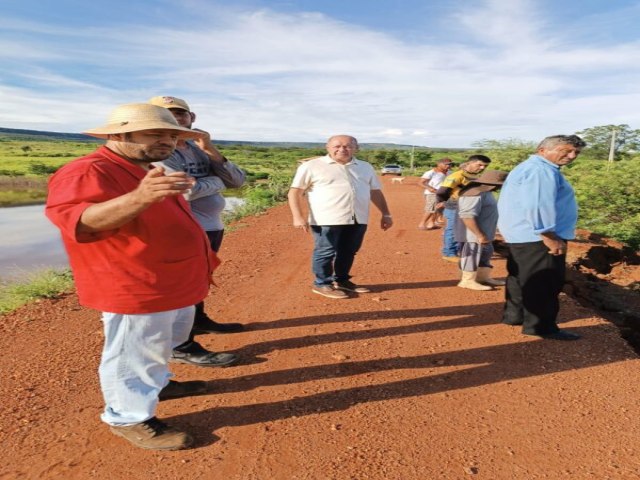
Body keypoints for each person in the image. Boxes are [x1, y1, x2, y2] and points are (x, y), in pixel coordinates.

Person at [46, 103, 218, 451]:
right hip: (134, 282)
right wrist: (140, 197)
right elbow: (80, 221)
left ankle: (156, 385)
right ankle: (128, 415)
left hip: (168, 278)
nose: (167, 141)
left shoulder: (145, 168)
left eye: (172, 134)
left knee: (160, 342)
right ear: (120, 134)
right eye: (155, 133)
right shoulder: (88, 170)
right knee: (133, 350)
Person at [149, 95, 245, 367]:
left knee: (200, 280)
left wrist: (209, 147)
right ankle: (181, 344)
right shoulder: (161, 150)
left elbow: (237, 180)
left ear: (192, 118)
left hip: (211, 227)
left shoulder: (197, 148)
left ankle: (198, 321)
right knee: (181, 286)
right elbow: (186, 191)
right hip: (180, 230)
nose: (177, 119)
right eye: (167, 114)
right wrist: (216, 180)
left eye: (181, 114)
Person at [497, 134, 586, 341]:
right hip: (537, 236)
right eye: (566, 151)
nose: (572, 156)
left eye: (576, 152)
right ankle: (541, 327)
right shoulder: (541, 170)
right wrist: (548, 234)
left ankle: (514, 316)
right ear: (543, 150)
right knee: (544, 281)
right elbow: (537, 205)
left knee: (520, 277)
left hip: (522, 233)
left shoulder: (533, 167)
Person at [288, 135, 393, 299]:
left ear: (356, 148)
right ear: (327, 147)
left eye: (348, 146)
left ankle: (342, 280)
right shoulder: (311, 166)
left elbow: (375, 192)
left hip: (358, 217)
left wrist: (385, 213)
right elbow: (294, 192)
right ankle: (322, 283)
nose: (342, 149)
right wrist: (297, 217)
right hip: (326, 218)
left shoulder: (365, 167)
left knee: (349, 251)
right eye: (337, 146)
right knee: (325, 251)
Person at [454, 170, 508, 290]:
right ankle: (467, 280)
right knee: (471, 255)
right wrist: (480, 235)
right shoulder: (474, 193)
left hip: (484, 232)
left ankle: (482, 277)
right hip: (472, 233)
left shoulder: (485, 192)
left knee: (485, 254)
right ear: (494, 184)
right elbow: (467, 215)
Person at [436, 155, 492, 262]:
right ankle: (448, 253)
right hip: (454, 206)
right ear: (469, 163)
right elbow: (441, 192)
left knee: (463, 230)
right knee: (452, 230)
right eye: (479, 165)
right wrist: (444, 203)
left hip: (468, 206)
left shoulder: (476, 175)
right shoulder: (457, 176)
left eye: (484, 166)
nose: (482, 168)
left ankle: (458, 251)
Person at [417, 158, 452, 230]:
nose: (448, 166)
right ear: (439, 164)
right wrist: (431, 189)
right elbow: (420, 183)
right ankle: (422, 224)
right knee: (431, 209)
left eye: (450, 164)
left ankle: (431, 223)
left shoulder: (449, 173)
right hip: (432, 194)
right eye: (446, 164)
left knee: (438, 209)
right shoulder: (431, 172)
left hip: (443, 194)